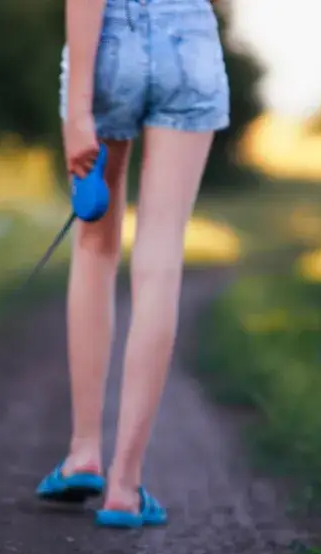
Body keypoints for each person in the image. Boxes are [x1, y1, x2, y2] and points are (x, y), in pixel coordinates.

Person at [34, 0, 229, 527]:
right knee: (162, 255)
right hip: (190, 38)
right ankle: (125, 484)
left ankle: (84, 452)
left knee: (96, 247)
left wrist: (79, 109)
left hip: (108, 41)